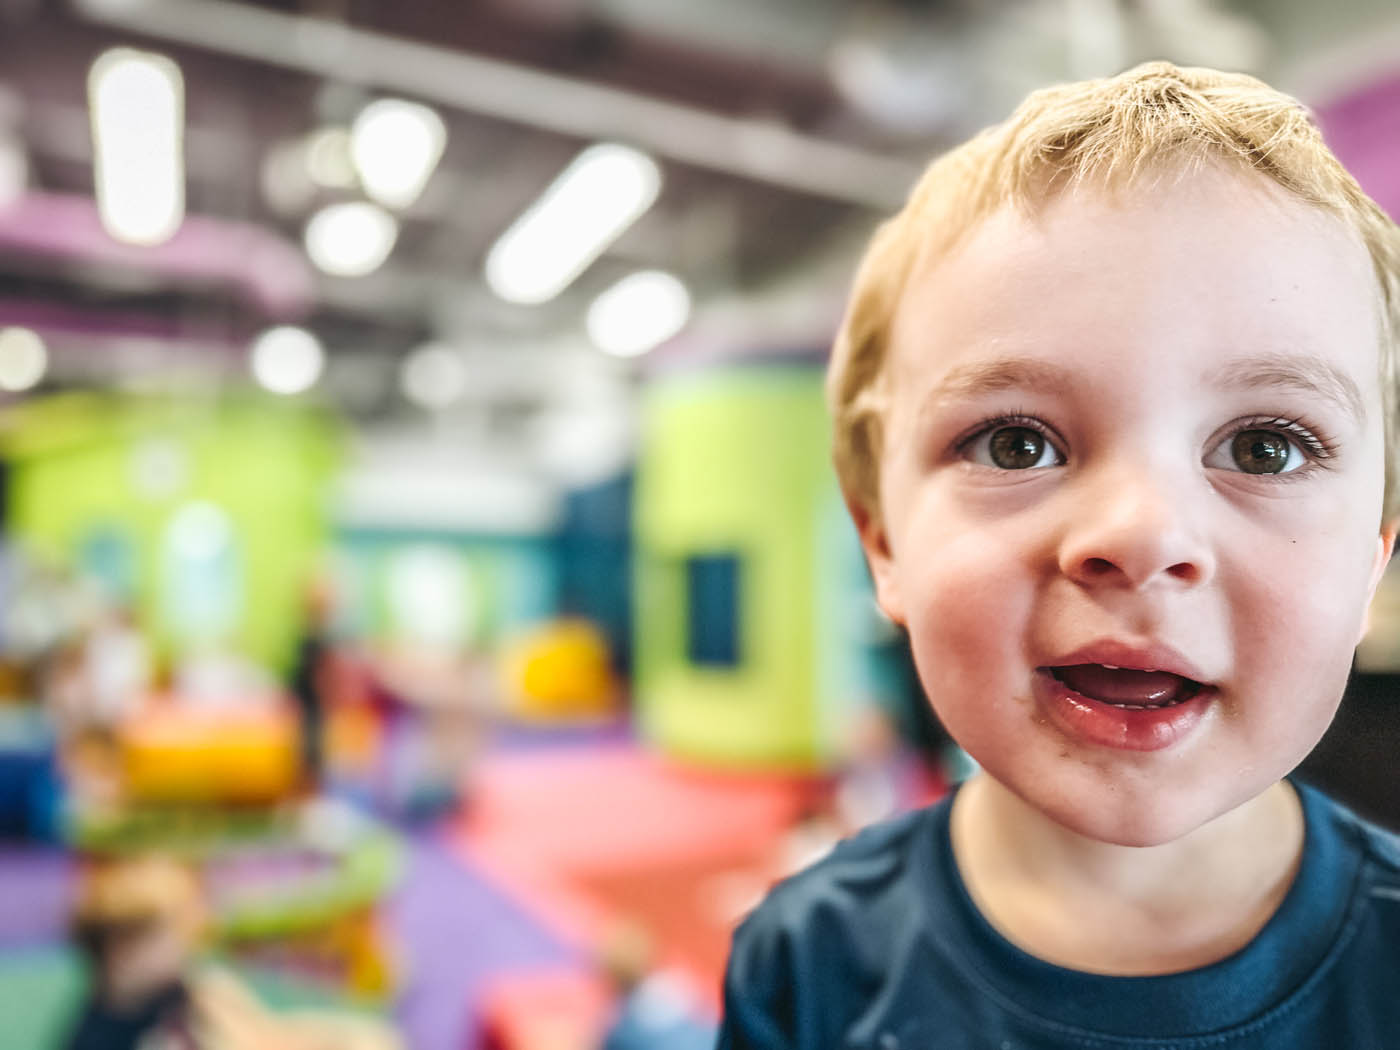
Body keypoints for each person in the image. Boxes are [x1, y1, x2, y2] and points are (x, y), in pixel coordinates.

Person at [717, 60, 1400, 1048]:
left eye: (1263, 447)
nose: (1139, 535)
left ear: (1370, 560)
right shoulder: (808, 959)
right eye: (1014, 443)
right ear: (883, 540)